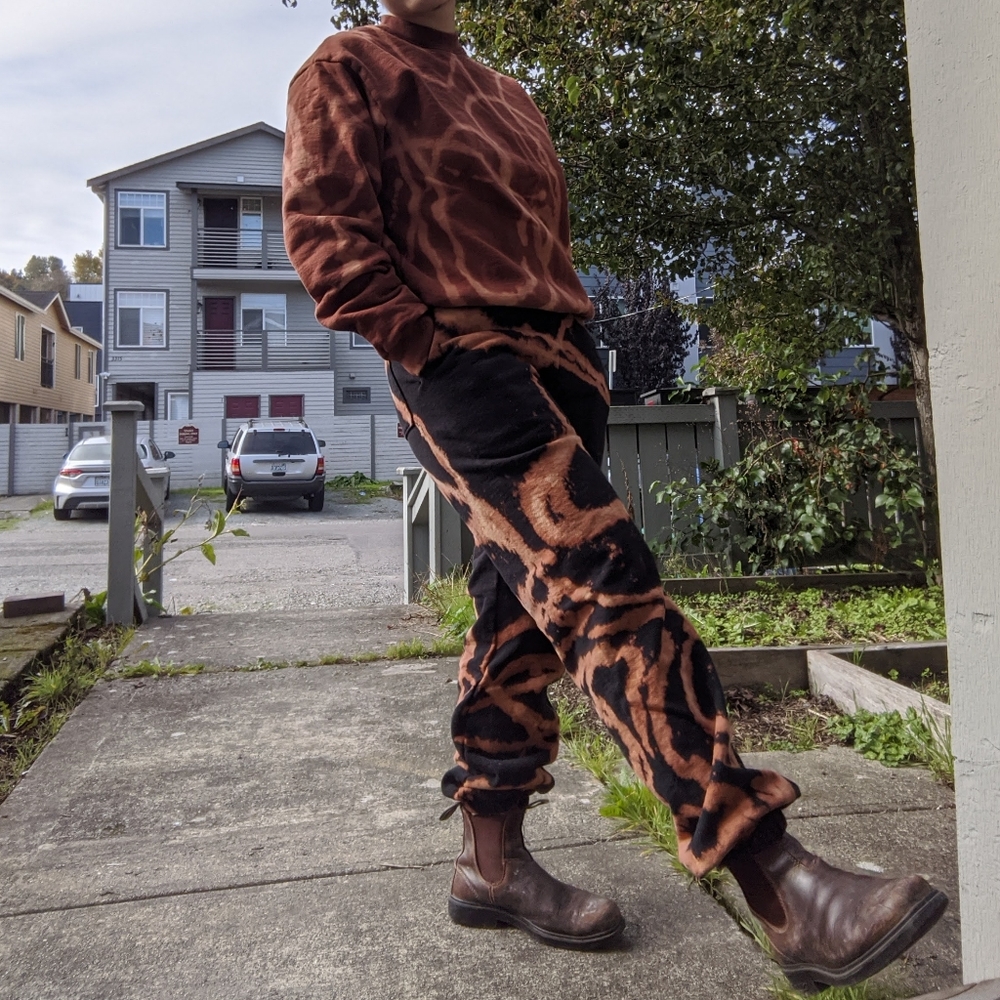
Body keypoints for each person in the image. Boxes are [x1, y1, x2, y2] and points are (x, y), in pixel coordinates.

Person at [282, 0, 948, 989]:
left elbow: (537, 242)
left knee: (520, 613)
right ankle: (776, 877)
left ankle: (489, 864)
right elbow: (325, 233)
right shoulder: (344, 67)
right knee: (606, 579)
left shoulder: (509, 96)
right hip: (459, 361)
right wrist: (428, 347)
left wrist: (578, 364)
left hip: (562, 363)